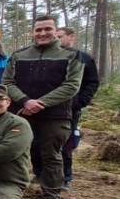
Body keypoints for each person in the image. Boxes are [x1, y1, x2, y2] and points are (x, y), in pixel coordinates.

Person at [3, 15, 83, 199]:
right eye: (38, 30)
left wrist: (41, 103)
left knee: (51, 155)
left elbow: (72, 85)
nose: (42, 33)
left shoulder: (72, 56)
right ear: (33, 32)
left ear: (55, 31)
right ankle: (11, 189)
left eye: (47, 29)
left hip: (55, 115)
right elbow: (8, 82)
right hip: (22, 112)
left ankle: (51, 197)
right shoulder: (19, 55)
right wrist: (25, 101)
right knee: (16, 150)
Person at [30, 27, 100, 190]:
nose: (56, 39)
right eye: (56, 36)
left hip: (67, 110)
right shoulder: (41, 57)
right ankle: (40, 174)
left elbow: (91, 83)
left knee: (64, 144)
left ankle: (65, 177)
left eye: (59, 36)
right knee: (36, 143)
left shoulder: (82, 58)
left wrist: (78, 103)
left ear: (71, 37)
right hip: (38, 109)